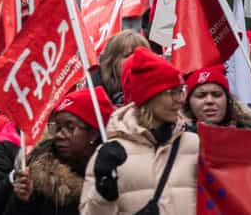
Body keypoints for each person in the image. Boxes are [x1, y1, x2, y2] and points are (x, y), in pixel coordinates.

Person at [81, 47, 199, 215]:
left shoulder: (195, 144)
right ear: (148, 96)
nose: (180, 100)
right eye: (171, 92)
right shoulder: (112, 153)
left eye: (181, 91)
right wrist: (103, 194)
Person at [0, 86, 114, 215]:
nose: (59, 135)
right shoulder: (38, 173)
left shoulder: (117, 171)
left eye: (70, 127)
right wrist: (21, 201)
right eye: (58, 127)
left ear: (93, 133)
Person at [181, 65, 251, 130]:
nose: (209, 101)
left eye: (217, 95)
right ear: (188, 102)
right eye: (201, 95)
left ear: (228, 99)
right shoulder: (176, 138)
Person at [95, 30, 149, 105]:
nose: (135, 59)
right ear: (112, 61)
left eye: (140, 54)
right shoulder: (95, 92)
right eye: (127, 55)